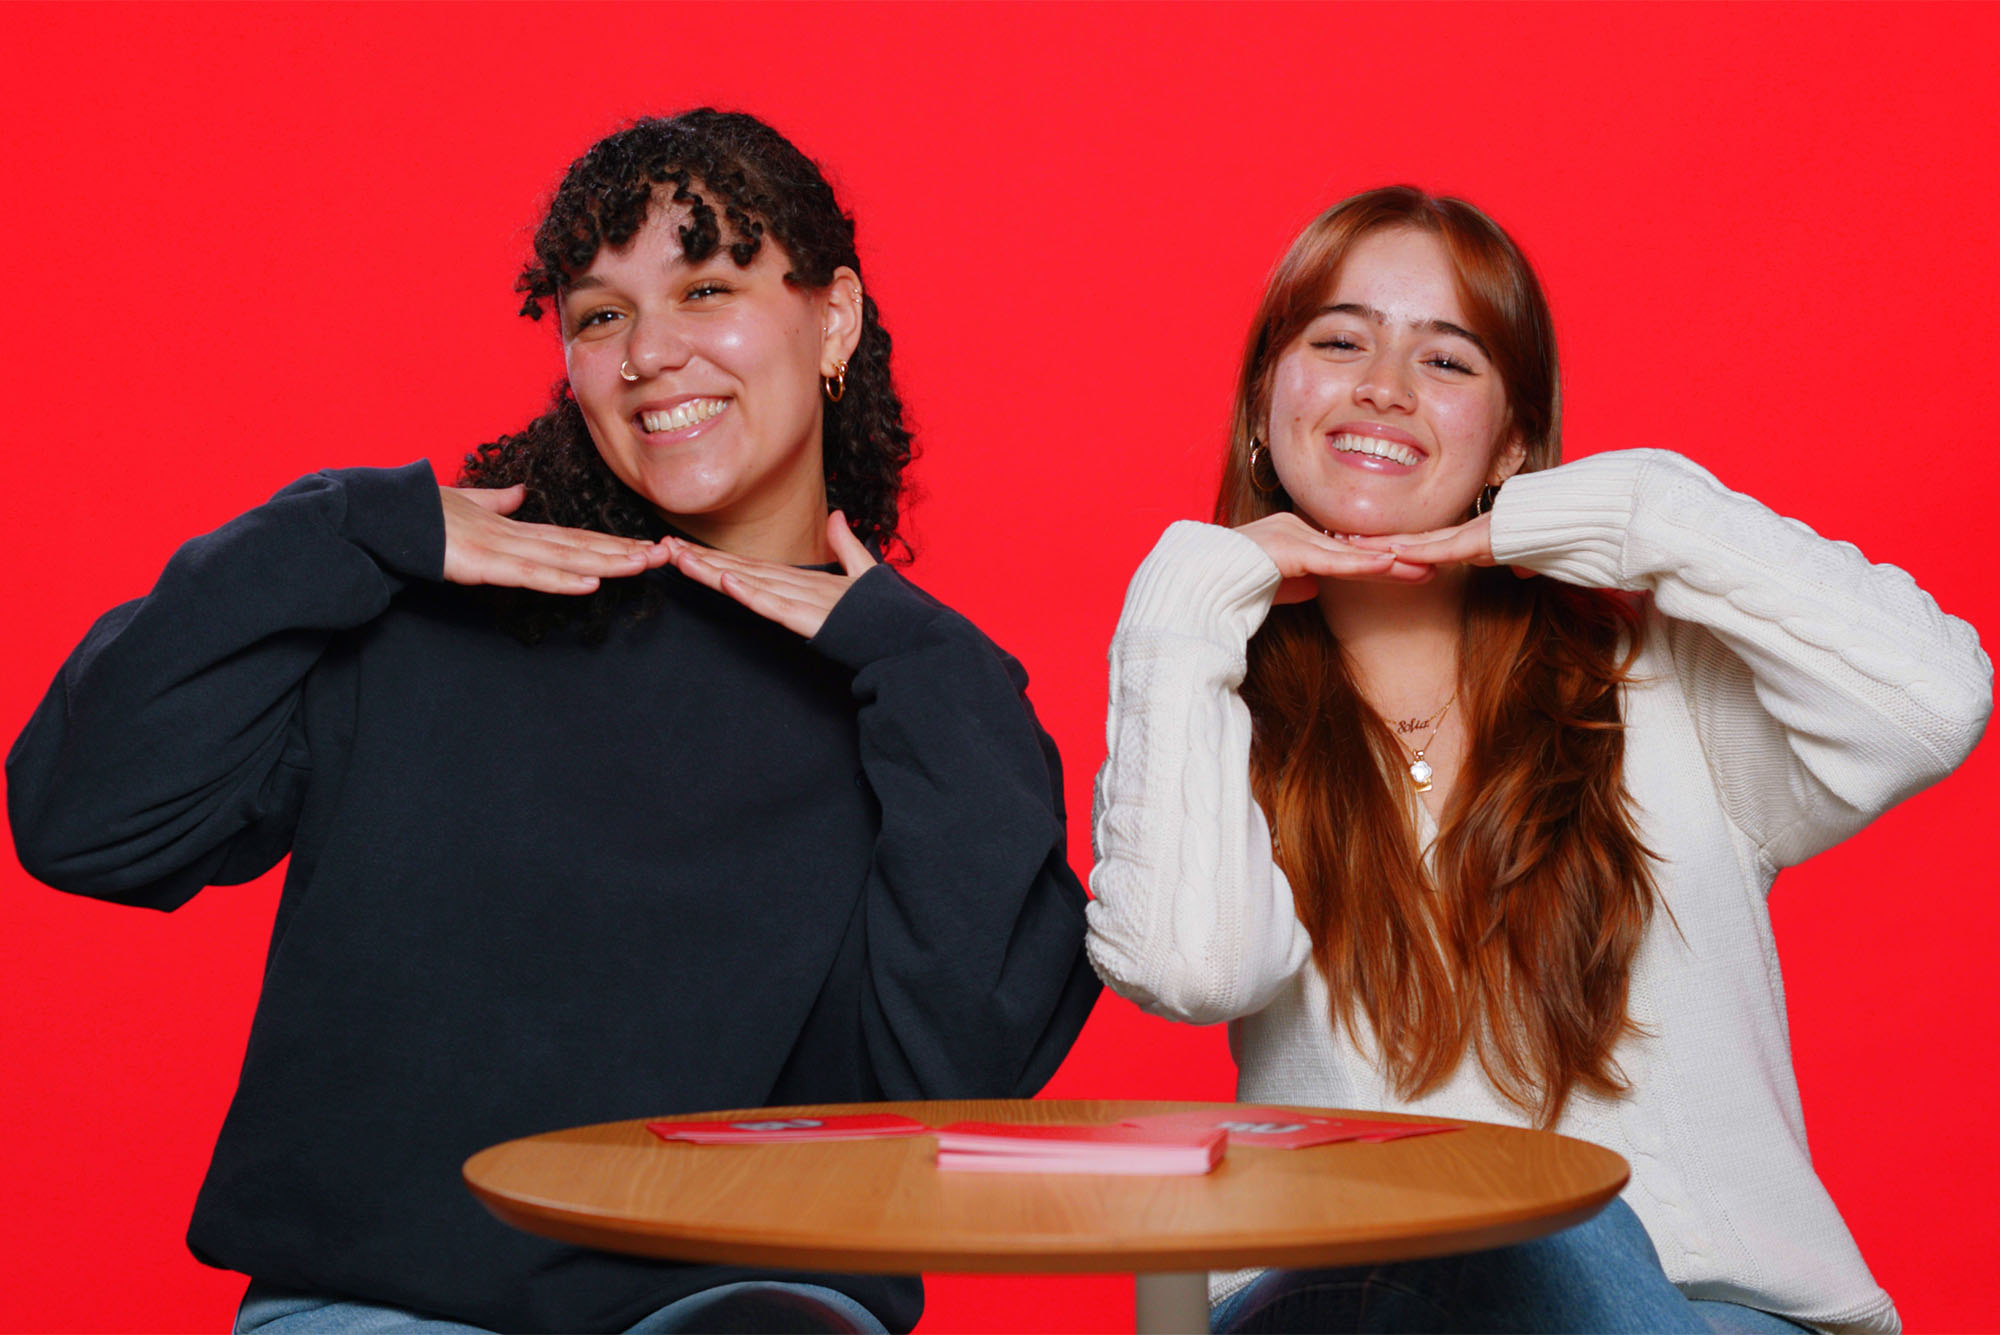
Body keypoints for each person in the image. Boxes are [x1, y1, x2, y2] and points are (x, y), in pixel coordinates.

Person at [8, 109, 1099, 1335]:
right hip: (385, 1307)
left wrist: (914, 656)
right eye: (600, 314)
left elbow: (959, 1081)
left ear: (831, 317)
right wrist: (334, 530)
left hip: (747, 1309)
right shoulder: (419, 615)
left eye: (706, 287)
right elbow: (84, 821)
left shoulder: (918, 694)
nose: (648, 353)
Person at [1084, 186, 1989, 1335]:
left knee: (1554, 1219)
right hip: (1358, 1305)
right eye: (1339, 339)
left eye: (1448, 361)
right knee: (1463, 1223)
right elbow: (1189, 966)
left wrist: (1621, 511)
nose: (1384, 387)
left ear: (1512, 439)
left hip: (1699, 1316)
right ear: (1266, 401)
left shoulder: (1662, 687)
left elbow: (1931, 700)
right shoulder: (1210, 705)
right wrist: (1190, 595)